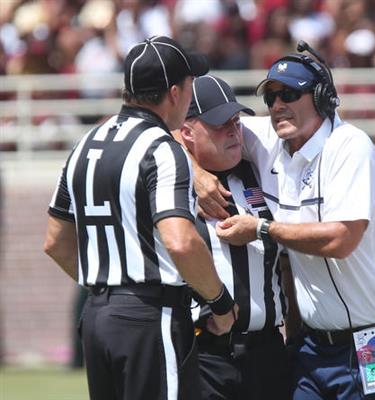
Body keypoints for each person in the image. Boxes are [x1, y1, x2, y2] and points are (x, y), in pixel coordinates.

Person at [196, 44, 375, 399]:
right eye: (270, 98)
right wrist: (194, 172)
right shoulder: (268, 136)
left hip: (373, 340)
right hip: (312, 347)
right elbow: (180, 130)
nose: (277, 105)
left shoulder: (350, 146)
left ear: (321, 98)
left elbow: (341, 240)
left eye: (289, 93)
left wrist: (260, 229)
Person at [44, 35, 237, 400]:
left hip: (98, 316)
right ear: (176, 93)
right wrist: (221, 303)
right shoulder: (162, 148)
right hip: (151, 316)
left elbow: (55, 241)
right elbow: (179, 241)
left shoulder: (85, 143)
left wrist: (110, 288)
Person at [175, 75, 298, 400]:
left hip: (269, 351)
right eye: (219, 125)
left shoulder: (257, 166)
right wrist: (194, 173)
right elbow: (146, 133)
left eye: (235, 121)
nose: (233, 131)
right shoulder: (171, 184)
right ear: (187, 132)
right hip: (205, 355)